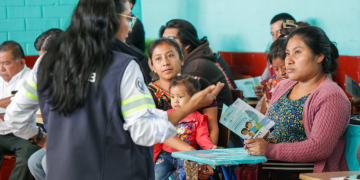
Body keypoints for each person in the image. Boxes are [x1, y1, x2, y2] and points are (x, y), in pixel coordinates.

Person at [37, 1, 223, 180]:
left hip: (67, 168)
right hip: (123, 166)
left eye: (171, 55)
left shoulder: (46, 62)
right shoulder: (126, 68)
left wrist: (40, 138)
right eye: (128, 19)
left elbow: (16, 117)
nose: (131, 27)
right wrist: (188, 109)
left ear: (182, 59)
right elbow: (144, 131)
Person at [244, 26, 350, 173]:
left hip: (305, 175)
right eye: (287, 53)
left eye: (297, 52)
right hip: (270, 171)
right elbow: (267, 126)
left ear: (319, 56)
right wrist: (254, 139)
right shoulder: (284, 86)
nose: (289, 60)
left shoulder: (331, 96)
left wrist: (267, 149)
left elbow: (319, 148)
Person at [148, 38, 215, 179]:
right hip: (165, 156)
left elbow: (212, 126)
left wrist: (209, 160)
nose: (165, 62)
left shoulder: (199, 84)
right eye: (158, 58)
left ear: (182, 59)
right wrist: (193, 153)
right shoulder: (148, 93)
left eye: (170, 55)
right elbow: (158, 132)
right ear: (152, 65)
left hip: (198, 154)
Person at [159, 19, 233, 108]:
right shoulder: (189, 60)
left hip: (219, 119)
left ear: (187, 44)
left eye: (171, 40)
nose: (165, 44)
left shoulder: (195, 68)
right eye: (163, 40)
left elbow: (182, 105)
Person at [155, 75, 216, 180]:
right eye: (173, 96)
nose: (176, 101)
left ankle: (174, 177)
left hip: (187, 155)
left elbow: (202, 137)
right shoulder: (167, 116)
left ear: (193, 98)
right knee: (157, 174)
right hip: (166, 155)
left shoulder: (199, 118)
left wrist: (210, 147)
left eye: (180, 96)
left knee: (190, 171)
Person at [25, 28, 63, 180]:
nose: (42, 64)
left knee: (49, 162)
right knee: (34, 162)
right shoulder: (46, 76)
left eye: (45, 59)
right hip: (57, 138)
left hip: (80, 140)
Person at [0, 41, 40, 180]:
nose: (1, 68)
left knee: (29, 156)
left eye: (6, 63)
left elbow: (17, 100)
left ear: (22, 63)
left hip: (23, 133)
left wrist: (10, 103)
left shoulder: (32, 77)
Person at [255, 38, 288, 114]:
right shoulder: (271, 84)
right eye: (276, 69)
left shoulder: (299, 85)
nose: (281, 73)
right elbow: (263, 111)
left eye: (284, 68)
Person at [260, 13, 296, 81]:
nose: (275, 38)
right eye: (273, 34)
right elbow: (264, 79)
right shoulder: (274, 54)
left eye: (279, 32)